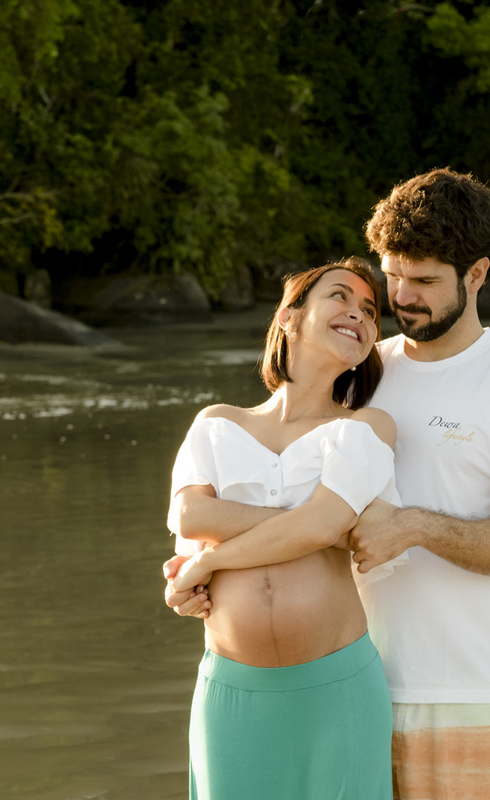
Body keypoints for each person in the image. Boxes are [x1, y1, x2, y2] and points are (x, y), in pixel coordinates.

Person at [166, 168, 490, 800]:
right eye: (394, 276)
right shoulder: (364, 367)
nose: (403, 296)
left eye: (426, 280)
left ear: (477, 274)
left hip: (463, 695)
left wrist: (411, 526)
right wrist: (205, 569)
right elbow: (272, 474)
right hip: (348, 683)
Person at [167, 258, 399, 800]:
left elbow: (323, 522)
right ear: (290, 319)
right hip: (231, 692)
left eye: (370, 311)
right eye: (340, 297)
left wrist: (211, 560)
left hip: (338, 689)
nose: (358, 314)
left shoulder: (366, 427)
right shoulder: (216, 424)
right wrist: (316, 529)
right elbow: (190, 517)